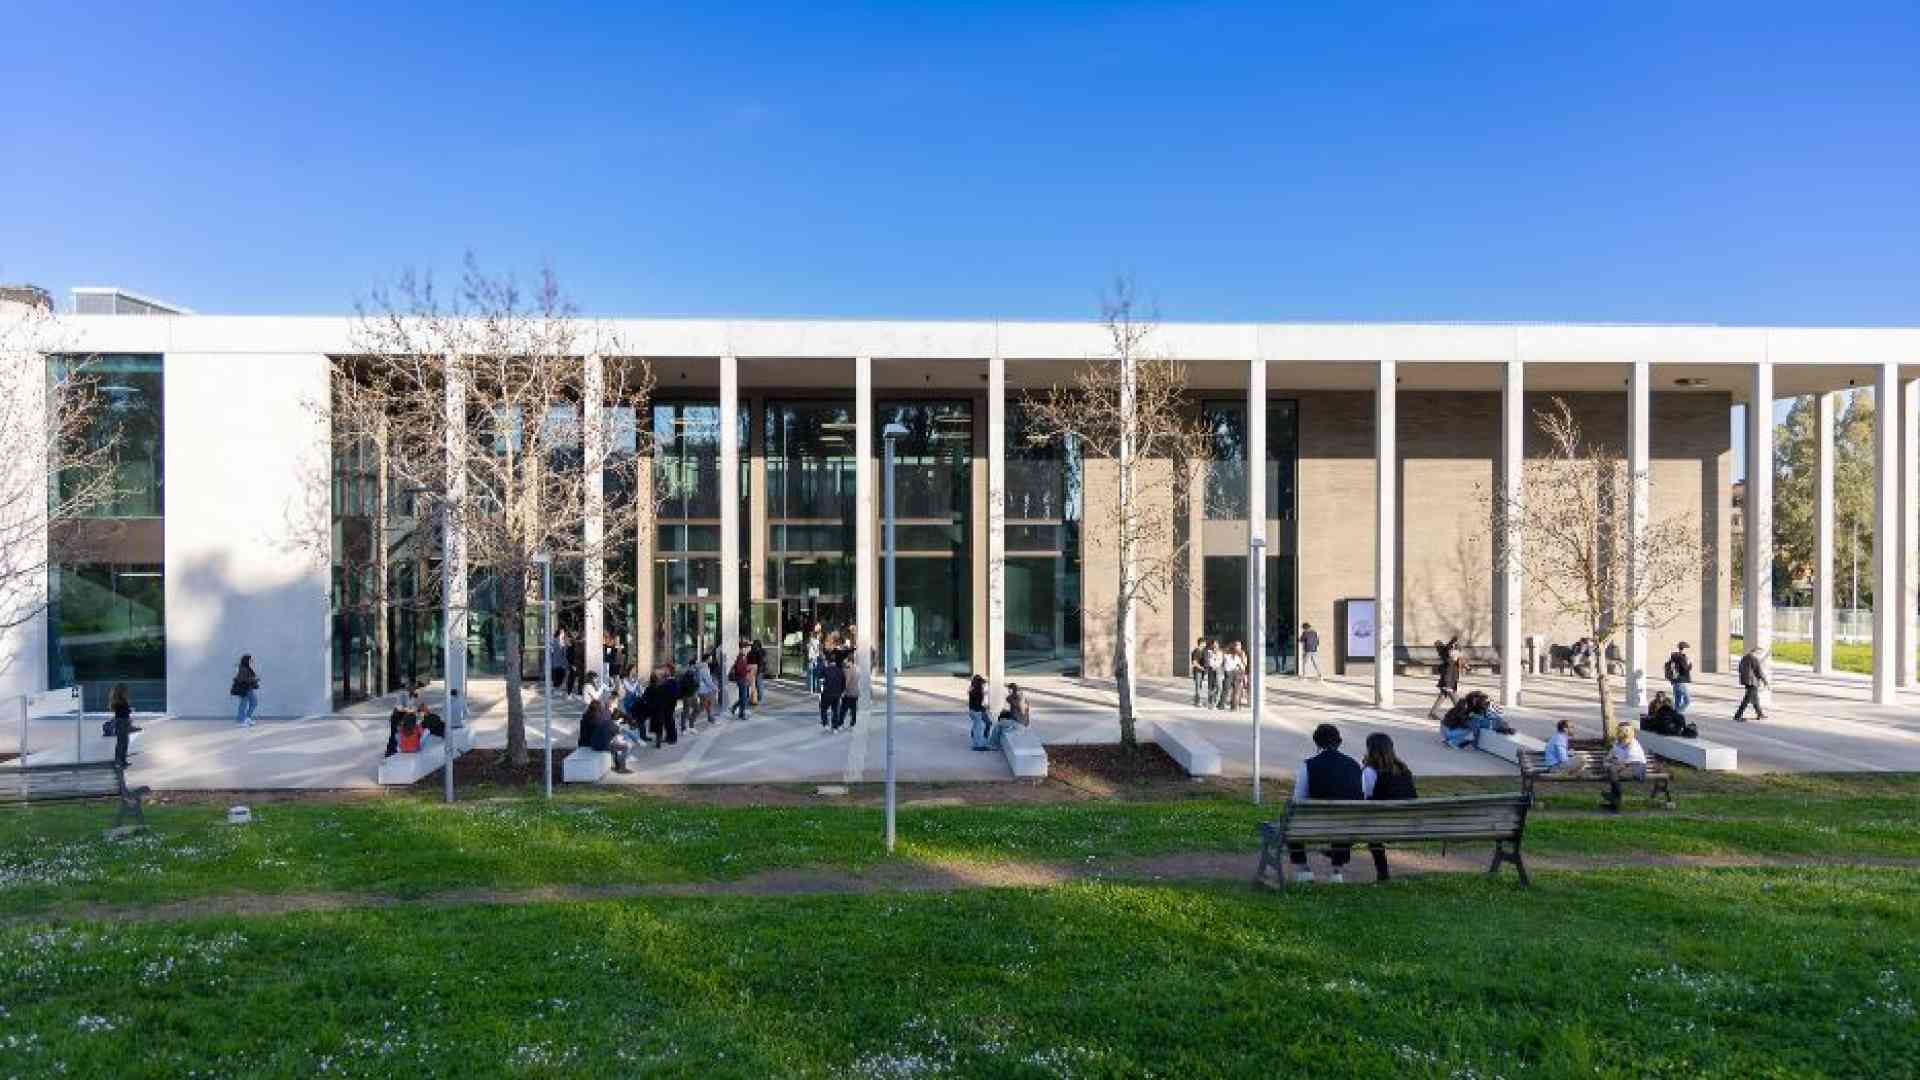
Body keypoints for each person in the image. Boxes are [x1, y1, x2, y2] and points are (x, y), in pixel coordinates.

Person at [1288, 723, 1363, 884]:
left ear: (1316, 742)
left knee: (1291, 821)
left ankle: (1303, 869)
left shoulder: (1308, 765)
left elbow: (1298, 800)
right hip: (1349, 825)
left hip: (1318, 825)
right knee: (1342, 817)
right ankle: (1337, 871)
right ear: (1339, 742)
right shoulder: (1355, 765)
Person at [1361, 732, 1417, 882]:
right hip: (1407, 824)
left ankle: (1383, 873)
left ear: (1370, 750)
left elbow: (1366, 799)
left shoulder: (1370, 771)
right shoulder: (1404, 770)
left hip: (1382, 825)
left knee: (1370, 830)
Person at [578, 690, 632, 773]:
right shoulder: (600, 718)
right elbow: (608, 730)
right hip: (593, 744)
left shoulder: (586, 717)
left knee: (615, 742)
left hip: (585, 742)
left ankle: (617, 764)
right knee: (625, 745)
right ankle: (621, 767)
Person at [1603, 722, 1648, 811]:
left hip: (1637, 768)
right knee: (1612, 771)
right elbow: (1608, 758)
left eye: (1627, 730)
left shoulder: (1633, 744)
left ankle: (1616, 798)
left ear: (1632, 732)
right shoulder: (1617, 744)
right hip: (1625, 768)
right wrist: (1609, 762)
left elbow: (1628, 762)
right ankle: (1615, 801)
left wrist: (1613, 763)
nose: (1624, 732)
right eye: (1621, 730)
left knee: (1613, 771)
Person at [988, 682, 1031, 749]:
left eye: (1009, 690)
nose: (1008, 691)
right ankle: (998, 743)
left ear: (1011, 690)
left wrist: (1017, 696)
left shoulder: (1015, 699)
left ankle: (992, 744)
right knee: (1002, 721)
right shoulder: (1023, 699)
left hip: (1018, 723)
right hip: (1023, 723)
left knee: (997, 725)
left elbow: (1009, 699)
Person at [108, 683, 139, 769]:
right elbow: (122, 712)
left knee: (124, 742)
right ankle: (118, 761)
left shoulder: (121, 700)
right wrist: (129, 710)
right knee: (121, 742)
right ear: (121, 691)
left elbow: (123, 711)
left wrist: (128, 710)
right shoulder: (118, 700)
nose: (126, 692)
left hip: (124, 721)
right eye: (125, 690)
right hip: (121, 722)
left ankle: (122, 760)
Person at [1735, 646, 1768, 722]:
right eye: (1760, 653)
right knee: (1746, 700)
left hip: (1746, 681)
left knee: (1755, 699)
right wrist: (1765, 681)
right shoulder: (1754, 659)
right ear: (1756, 652)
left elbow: (1739, 669)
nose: (1760, 655)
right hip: (1752, 682)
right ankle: (1737, 716)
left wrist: (1745, 676)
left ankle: (1760, 714)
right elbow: (1759, 671)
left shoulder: (1744, 658)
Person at [1430, 636, 1461, 715]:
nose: (1457, 655)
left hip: (1450, 682)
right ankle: (1462, 712)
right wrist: (1452, 643)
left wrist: (1467, 666)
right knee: (1454, 697)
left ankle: (1433, 713)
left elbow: (1459, 661)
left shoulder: (1452, 661)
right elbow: (1447, 674)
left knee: (1443, 696)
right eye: (1455, 652)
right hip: (1448, 682)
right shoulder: (1449, 661)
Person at [230, 655, 260, 727]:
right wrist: (254, 679)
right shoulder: (243, 668)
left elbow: (249, 677)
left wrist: (254, 679)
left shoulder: (248, 668)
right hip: (244, 689)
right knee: (243, 704)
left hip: (249, 688)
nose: (252, 661)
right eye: (250, 660)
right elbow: (242, 679)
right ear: (246, 660)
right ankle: (240, 721)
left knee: (254, 702)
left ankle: (247, 718)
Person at [1665, 641, 1693, 715]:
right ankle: (1677, 714)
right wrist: (1690, 663)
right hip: (1681, 682)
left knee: (1677, 702)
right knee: (1687, 701)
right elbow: (1685, 669)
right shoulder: (1681, 657)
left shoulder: (1674, 656)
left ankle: (1675, 715)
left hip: (1675, 681)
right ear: (1684, 649)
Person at [820, 654, 848, 729]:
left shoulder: (825, 669)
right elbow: (844, 682)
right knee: (835, 710)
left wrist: (823, 665)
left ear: (828, 662)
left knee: (823, 708)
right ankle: (835, 727)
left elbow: (819, 676)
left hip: (827, 693)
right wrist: (842, 692)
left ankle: (825, 723)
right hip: (837, 694)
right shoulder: (840, 671)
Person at [967, 674, 992, 750]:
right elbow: (977, 703)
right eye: (982, 683)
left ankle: (980, 741)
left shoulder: (973, 689)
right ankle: (977, 745)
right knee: (978, 728)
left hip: (973, 711)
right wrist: (982, 709)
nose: (983, 685)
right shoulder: (977, 691)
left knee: (979, 726)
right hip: (976, 711)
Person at [729, 644, 753, 720]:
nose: (749, 650)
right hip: (741, 678)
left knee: (744, 696)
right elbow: (739, 670)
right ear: (743, 649)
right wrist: (747, 669)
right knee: (744, 697)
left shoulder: (744, 656)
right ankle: (739, 711)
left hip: (743, 678)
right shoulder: (741, 657)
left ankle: (739, 711)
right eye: (748, 648)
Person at [695, 654, 719, 726]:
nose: (711, 660)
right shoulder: (704, 668)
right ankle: (691, 719)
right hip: (705, 690)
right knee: (708, 704)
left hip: (702, 690)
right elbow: (707, 680)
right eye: (710, 658)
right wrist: (715, 688)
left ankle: (711, 719)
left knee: (707, 704)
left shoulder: (700, 666)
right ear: (707, 659)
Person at [1189, 637, 1211, 706]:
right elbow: (1194, 662)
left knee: (1200, 686)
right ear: (1201, 643)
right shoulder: (1196, 651)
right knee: (1198, 686)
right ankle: (1197, 701)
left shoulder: (1205, 651)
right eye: (1204, 643)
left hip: (1203, 671)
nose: (1205, 644)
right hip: (1198, 671)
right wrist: (1201, 668)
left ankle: (1197, 700)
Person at [1203, 639, 1223, 709]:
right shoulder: (1209, 652)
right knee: (1211, 687)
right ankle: (1210, 702)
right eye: (1214, 644)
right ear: (1211, 645)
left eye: (1216, 644)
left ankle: (1216, 701)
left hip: (1218, 670)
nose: (1215, 646)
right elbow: (1208, 661)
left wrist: (1216, 665)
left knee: (1219, 687)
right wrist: (1212, 665)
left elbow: (1221, 661)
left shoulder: (1220, 652)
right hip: (1211, 670)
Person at [565, 632, 585, 698]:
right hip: (577, 664)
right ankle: (575, 692)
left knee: (573, 678)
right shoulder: (577, 645)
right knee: (576, 678)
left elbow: (569, 656)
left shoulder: (575, 645)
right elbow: (570, 656)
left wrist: (572, 664)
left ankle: (571, 692)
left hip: (577, 664)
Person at [748, 639, 768, 704]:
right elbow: (749, 659)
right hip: (754, 669)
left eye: (755, 645)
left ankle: (759, 698)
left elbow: (762, 661)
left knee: (758, 684)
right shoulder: (752, 651)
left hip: (759, 670)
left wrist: (759, 670)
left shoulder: (762, 652)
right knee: (754, 684)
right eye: (754, 645)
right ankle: (755, 698)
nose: (754, 646)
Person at [807, 625, 826, 694]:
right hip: (815, 658)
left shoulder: (813, 641)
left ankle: (813, 689)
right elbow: (818, 650)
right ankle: (815, 689)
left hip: (813, 658)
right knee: (816, 674)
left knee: (813, 674)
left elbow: (812, 649)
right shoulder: (816, 641)